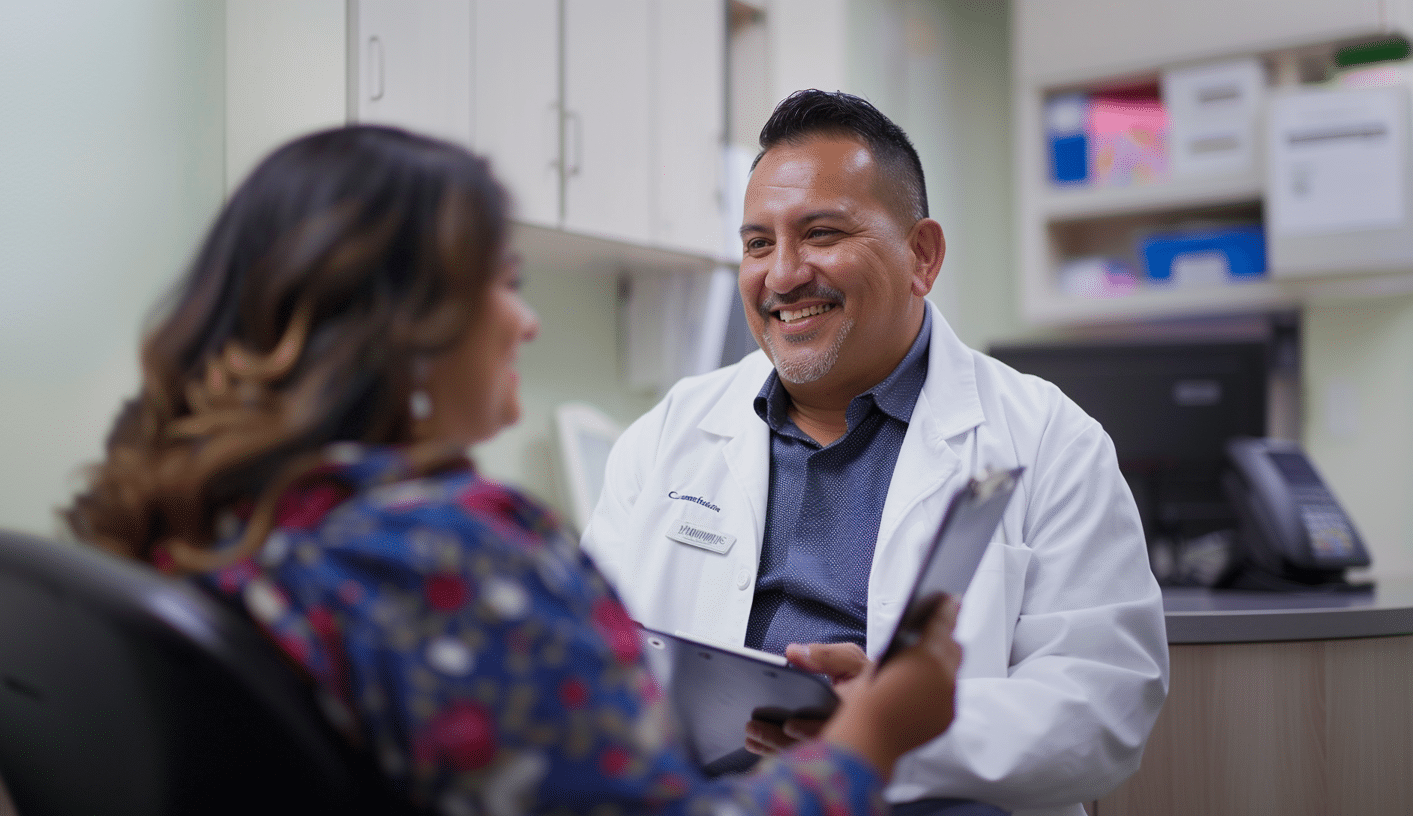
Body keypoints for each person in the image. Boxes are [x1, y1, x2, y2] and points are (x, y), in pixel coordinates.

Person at [64, 124, 965, 815]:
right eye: (502, 281)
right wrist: (875, 732)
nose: (525, 322)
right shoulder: (451, 556)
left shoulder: (198, 516)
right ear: (402, 327)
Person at [580, 91, 1170, 816]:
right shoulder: (670, 432)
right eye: (758, 243)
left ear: (922, 255)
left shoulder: (1051, 439)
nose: (784, 275)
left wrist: (891, 734)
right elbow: (591, 663)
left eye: (821, 233)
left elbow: (1102, 706)